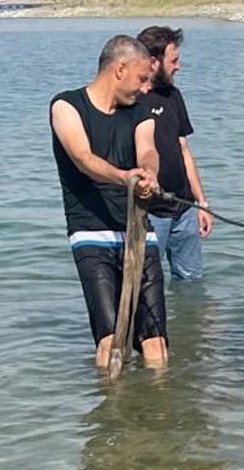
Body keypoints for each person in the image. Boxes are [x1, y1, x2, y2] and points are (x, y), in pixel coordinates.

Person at [50, 34, 168, 369]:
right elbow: (83, 158)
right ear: (120, 69)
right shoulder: (66, 106)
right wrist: (125, 177)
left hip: (138, 231)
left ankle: (162, 399)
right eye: (142, 78)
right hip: (91, 232)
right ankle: (110, 402)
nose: (146, 88)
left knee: (156, 340)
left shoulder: (140, 111)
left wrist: (148, 173)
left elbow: (148, 150)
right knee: (111, 341)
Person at [136, 25, 213, 280]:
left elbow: (184, 149)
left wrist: (202, 203)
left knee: (192, 281)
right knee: (146, 282)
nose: (179, 66)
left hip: (185, 209)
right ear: (154, 62)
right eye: (174, 61)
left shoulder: (173, 95)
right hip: (149, 213)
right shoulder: (131, 100)